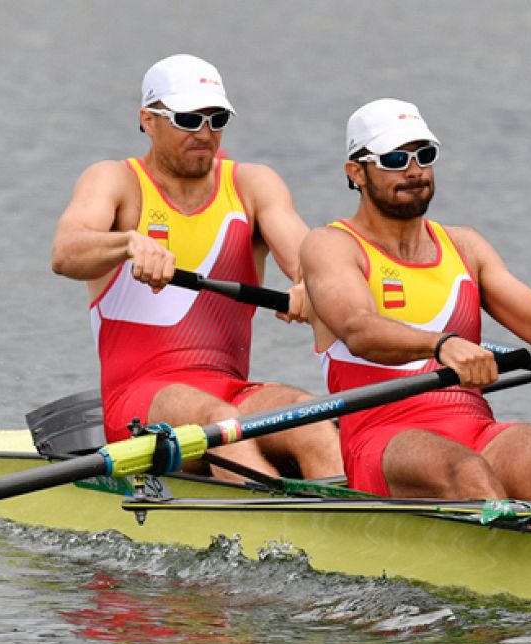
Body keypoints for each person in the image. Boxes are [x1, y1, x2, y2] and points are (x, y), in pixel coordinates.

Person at [300, 98, 531, 536]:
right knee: (468, 474)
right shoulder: (330, 245)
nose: (414, 170)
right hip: (383, 437)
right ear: (356, 172)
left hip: (474, 426)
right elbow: (358, 329)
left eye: (425, 155)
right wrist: (441, 344)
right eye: (395, 159)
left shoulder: (466, 247)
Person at [51, 54, 342, 480]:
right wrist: (128, 243)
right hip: (138, 402)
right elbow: (65, 253)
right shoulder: (115, 181)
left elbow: (313, 265)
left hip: (230, 389)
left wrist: (309, 287)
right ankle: (277, 529)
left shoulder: (252, 185)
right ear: (148, 119)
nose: (205, 134)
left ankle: (357, 525)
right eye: (188, 119)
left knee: (311, 420)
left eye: (216, 119)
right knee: (224, 428)